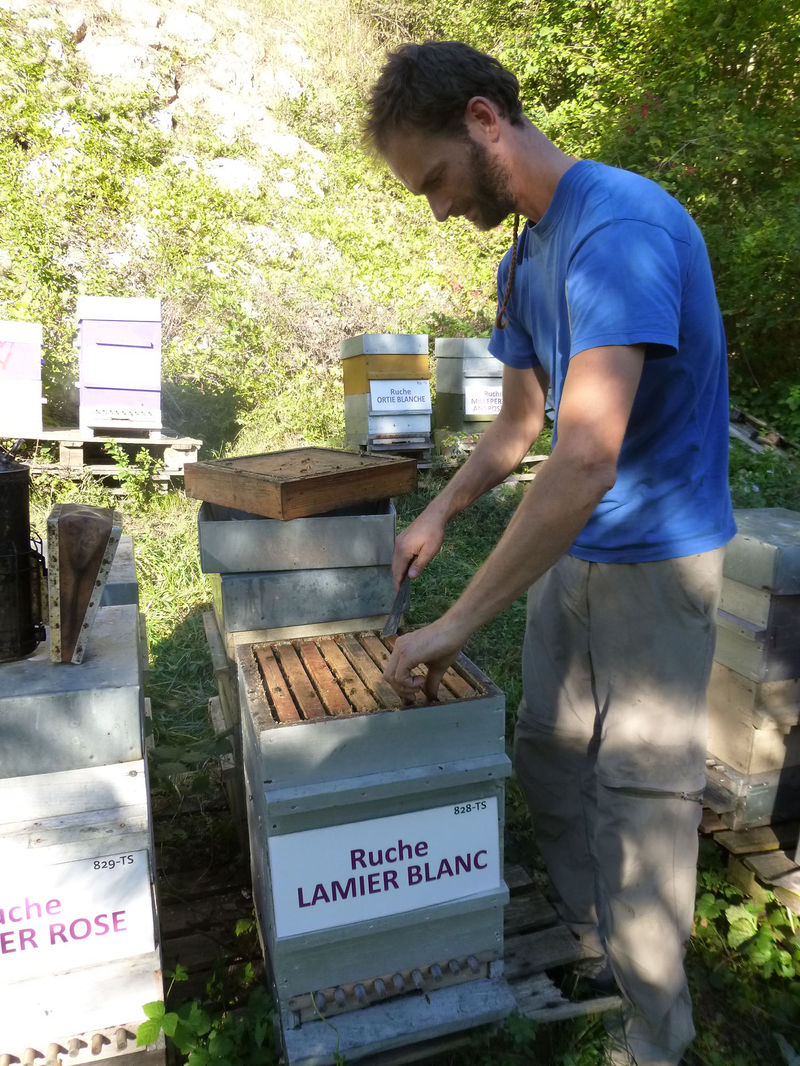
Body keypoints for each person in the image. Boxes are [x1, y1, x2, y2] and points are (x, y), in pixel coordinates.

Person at [363, 40, 736, 1066]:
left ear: (485, 121)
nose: (435, 207)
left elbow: (581, 459)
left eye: (433, 178)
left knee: (641, 799)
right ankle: (597, 937)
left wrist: (453, 621)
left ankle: (655, 1041)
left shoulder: (617, 230)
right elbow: (515, 430)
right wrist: (438, 513)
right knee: (544, 751)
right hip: (569, 554)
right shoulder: (523, 258)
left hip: (655, 562)